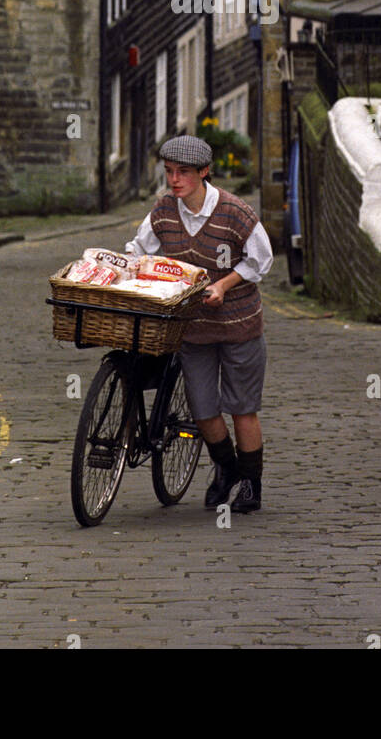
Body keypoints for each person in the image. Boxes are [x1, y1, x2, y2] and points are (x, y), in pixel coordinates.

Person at [126, 134, 272, 513]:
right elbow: (139, 251)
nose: (174, 181)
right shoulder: (162, 212)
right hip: (193, 329)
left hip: (238, 325)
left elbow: (260, 260)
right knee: (204, 409)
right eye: (169, 172)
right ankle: (226, 470)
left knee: (242, 407)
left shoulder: (234, 212)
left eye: (184, 173)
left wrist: (223, 285)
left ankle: (251, 486)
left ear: (204, 172)